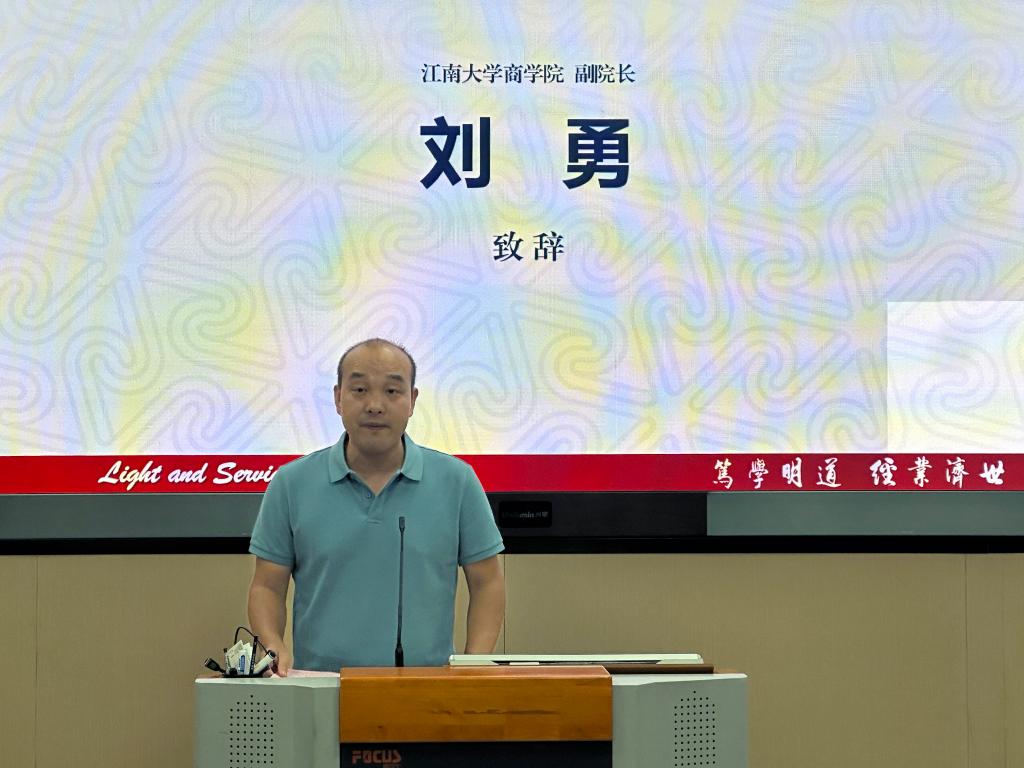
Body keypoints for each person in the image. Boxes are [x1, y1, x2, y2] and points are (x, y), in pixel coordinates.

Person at [247, 338, 505, 674]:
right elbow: (267, 586)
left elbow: (487, 582)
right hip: (321, 685)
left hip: (429, 687)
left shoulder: (457, 481)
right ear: (338, 398)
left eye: (392, 391)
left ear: (412, 400)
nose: (375, 405)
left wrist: (474, 663)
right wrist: (272, 642)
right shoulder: (291, 483)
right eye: (359, 390)